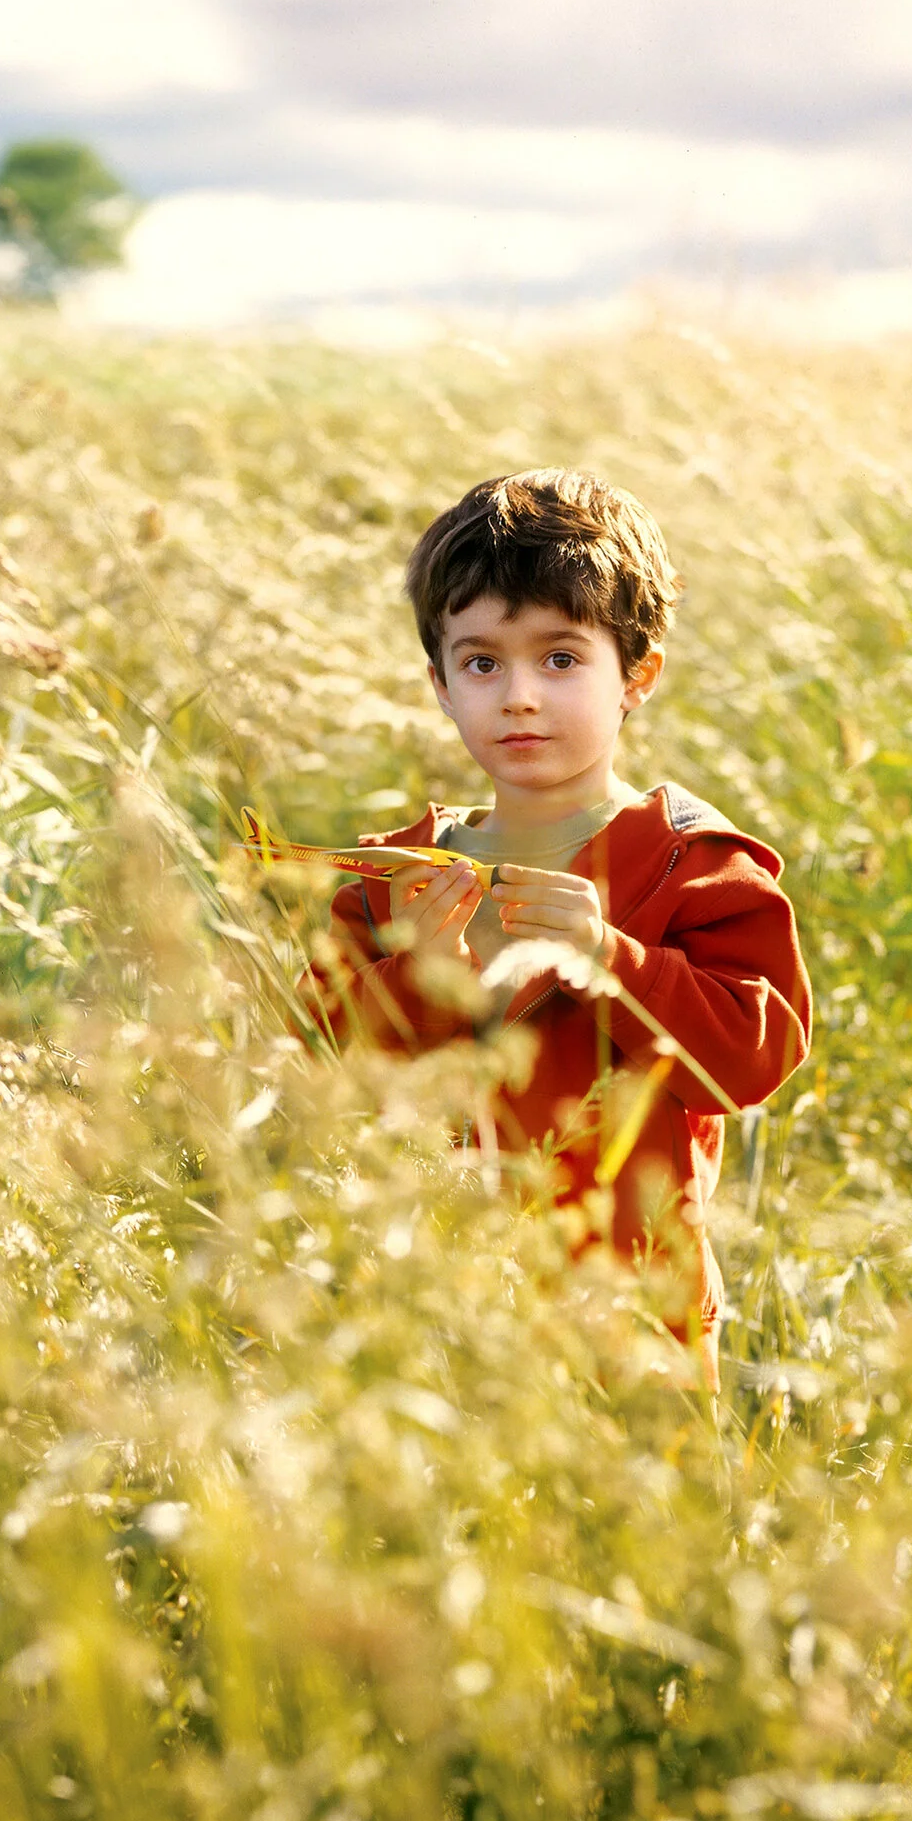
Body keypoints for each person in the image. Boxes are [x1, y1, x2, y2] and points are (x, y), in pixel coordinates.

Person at [306, 468, 812, 1388]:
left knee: (636, 1530)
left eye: (562, 658)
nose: (519, 695)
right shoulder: (391, 880)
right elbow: (322, 1080)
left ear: (638, 676)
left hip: (625, 1317)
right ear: (439, 684)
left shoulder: (689, 865)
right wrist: (417, 975)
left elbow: (751, 1060)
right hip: (419, 1314)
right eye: (482, 662)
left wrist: (612, 962)